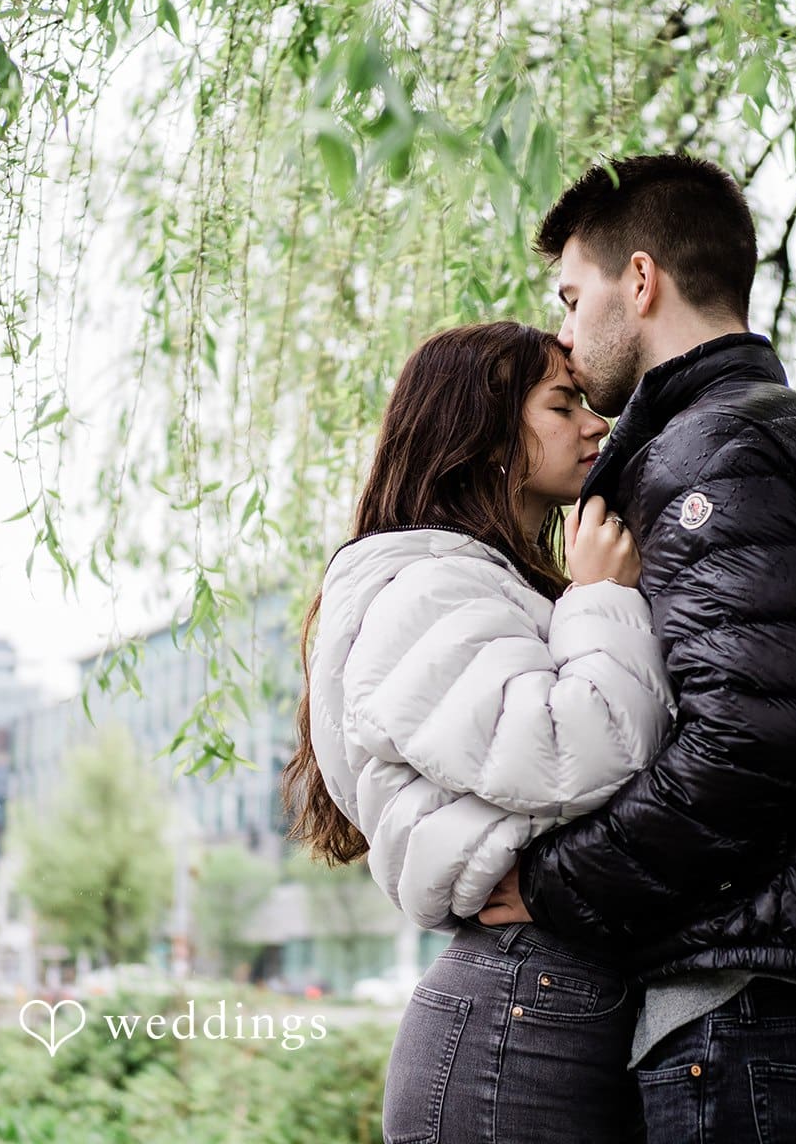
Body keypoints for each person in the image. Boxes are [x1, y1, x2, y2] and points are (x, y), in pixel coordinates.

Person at [478, 153, 796, 1142]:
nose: (565, 340)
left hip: (757, 994)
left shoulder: (712, 452)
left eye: (573, 299)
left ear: (642, 281)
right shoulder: (768, 432)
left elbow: (751, 738)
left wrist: (547, 881)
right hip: (790, 981)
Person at [283, 321, 674, 1143]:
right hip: (514, 1023)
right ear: (484, 431)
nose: (595, 423)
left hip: (537, 1003)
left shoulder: (480, 585)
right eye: (561, 405)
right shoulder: (429, 589)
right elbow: (569, 751)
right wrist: (602, 598)